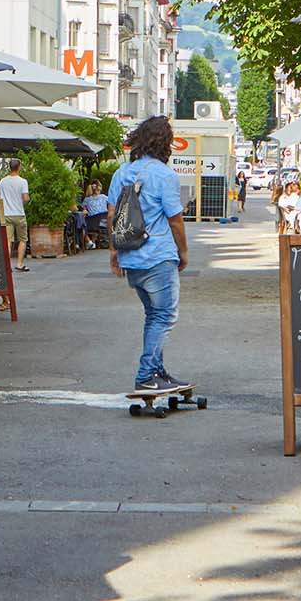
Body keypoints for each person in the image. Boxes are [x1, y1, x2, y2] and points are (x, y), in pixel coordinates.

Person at [109, 116, 191, 397]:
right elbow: (176, 220)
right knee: (165, 315)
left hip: (130, 257)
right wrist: (183, 252)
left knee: (152, 315)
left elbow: (112, 215)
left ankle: (157, 371)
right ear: (164, 143)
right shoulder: (164, 175)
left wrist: (114, 252)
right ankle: (146, 375)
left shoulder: (122, 172)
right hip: (157, 256)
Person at [0, 160, 31, 270]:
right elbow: (25, 198)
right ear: (19, 167)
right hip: (19, 213)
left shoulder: (3, 181)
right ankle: (19, 264)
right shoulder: (23, 181)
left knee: (8, 241)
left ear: (9, 167)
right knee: (22, 239)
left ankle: (7, 266)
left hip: (6, 214)